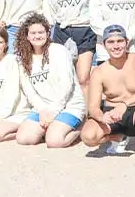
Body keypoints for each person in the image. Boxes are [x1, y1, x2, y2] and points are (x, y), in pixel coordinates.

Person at [81, 25, 135, 162]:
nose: (116, 46)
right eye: (111, 42)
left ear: (127, 42)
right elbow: (93, 107)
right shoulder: (99, 71)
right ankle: (117, 137)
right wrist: (102, 117)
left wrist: (125, 104)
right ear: (103, 45)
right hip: (112, 115)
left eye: (120, 41)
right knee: (88, 136)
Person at [14, 14, 85, 148]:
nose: (37, 36)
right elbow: (29, 91)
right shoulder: (23, 58)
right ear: (27, 36)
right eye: (33, 33)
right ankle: (52, 127)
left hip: (68, 105)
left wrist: (54, 111)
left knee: (54, 141)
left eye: (41, 32)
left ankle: (81, 127)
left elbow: (66, 85)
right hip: (44, 107)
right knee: (24, 138)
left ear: (48, 33)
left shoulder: (59, 50)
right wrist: (42, 110)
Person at [44, 0, 95, 92]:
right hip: (62, 32)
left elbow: (96, 8)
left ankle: (85, 114)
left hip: (85, 31)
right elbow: (50, 14)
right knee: (65, 76)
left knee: (83, 78)